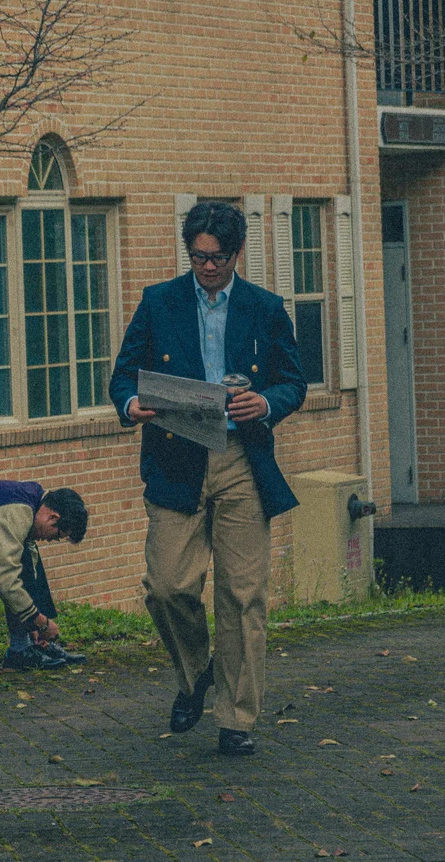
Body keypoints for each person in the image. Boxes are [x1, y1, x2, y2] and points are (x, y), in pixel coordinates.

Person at [108, 201, 306, 757]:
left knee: (243, 595)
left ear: (236, 253)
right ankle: (197, 673)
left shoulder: (264, 307)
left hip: (242, 459)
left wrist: (265, 402)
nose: (207, 268)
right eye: (198, 257)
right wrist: (131, 404)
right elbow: (123, 374)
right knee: (168, 585)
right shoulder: (159, 301)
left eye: (216, 258)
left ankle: (237, 719)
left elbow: (295, 380)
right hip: (177, 456)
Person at [0, 482, 89, 670]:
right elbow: (5, 579)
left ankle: (33, 643)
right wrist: (41, 622)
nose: (51, 540)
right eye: (57, 535)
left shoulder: (35, 500)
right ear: (53, 517)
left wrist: (32, 624)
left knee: (30, 558)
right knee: (19, 564)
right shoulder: (18, 511)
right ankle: (20, 649)